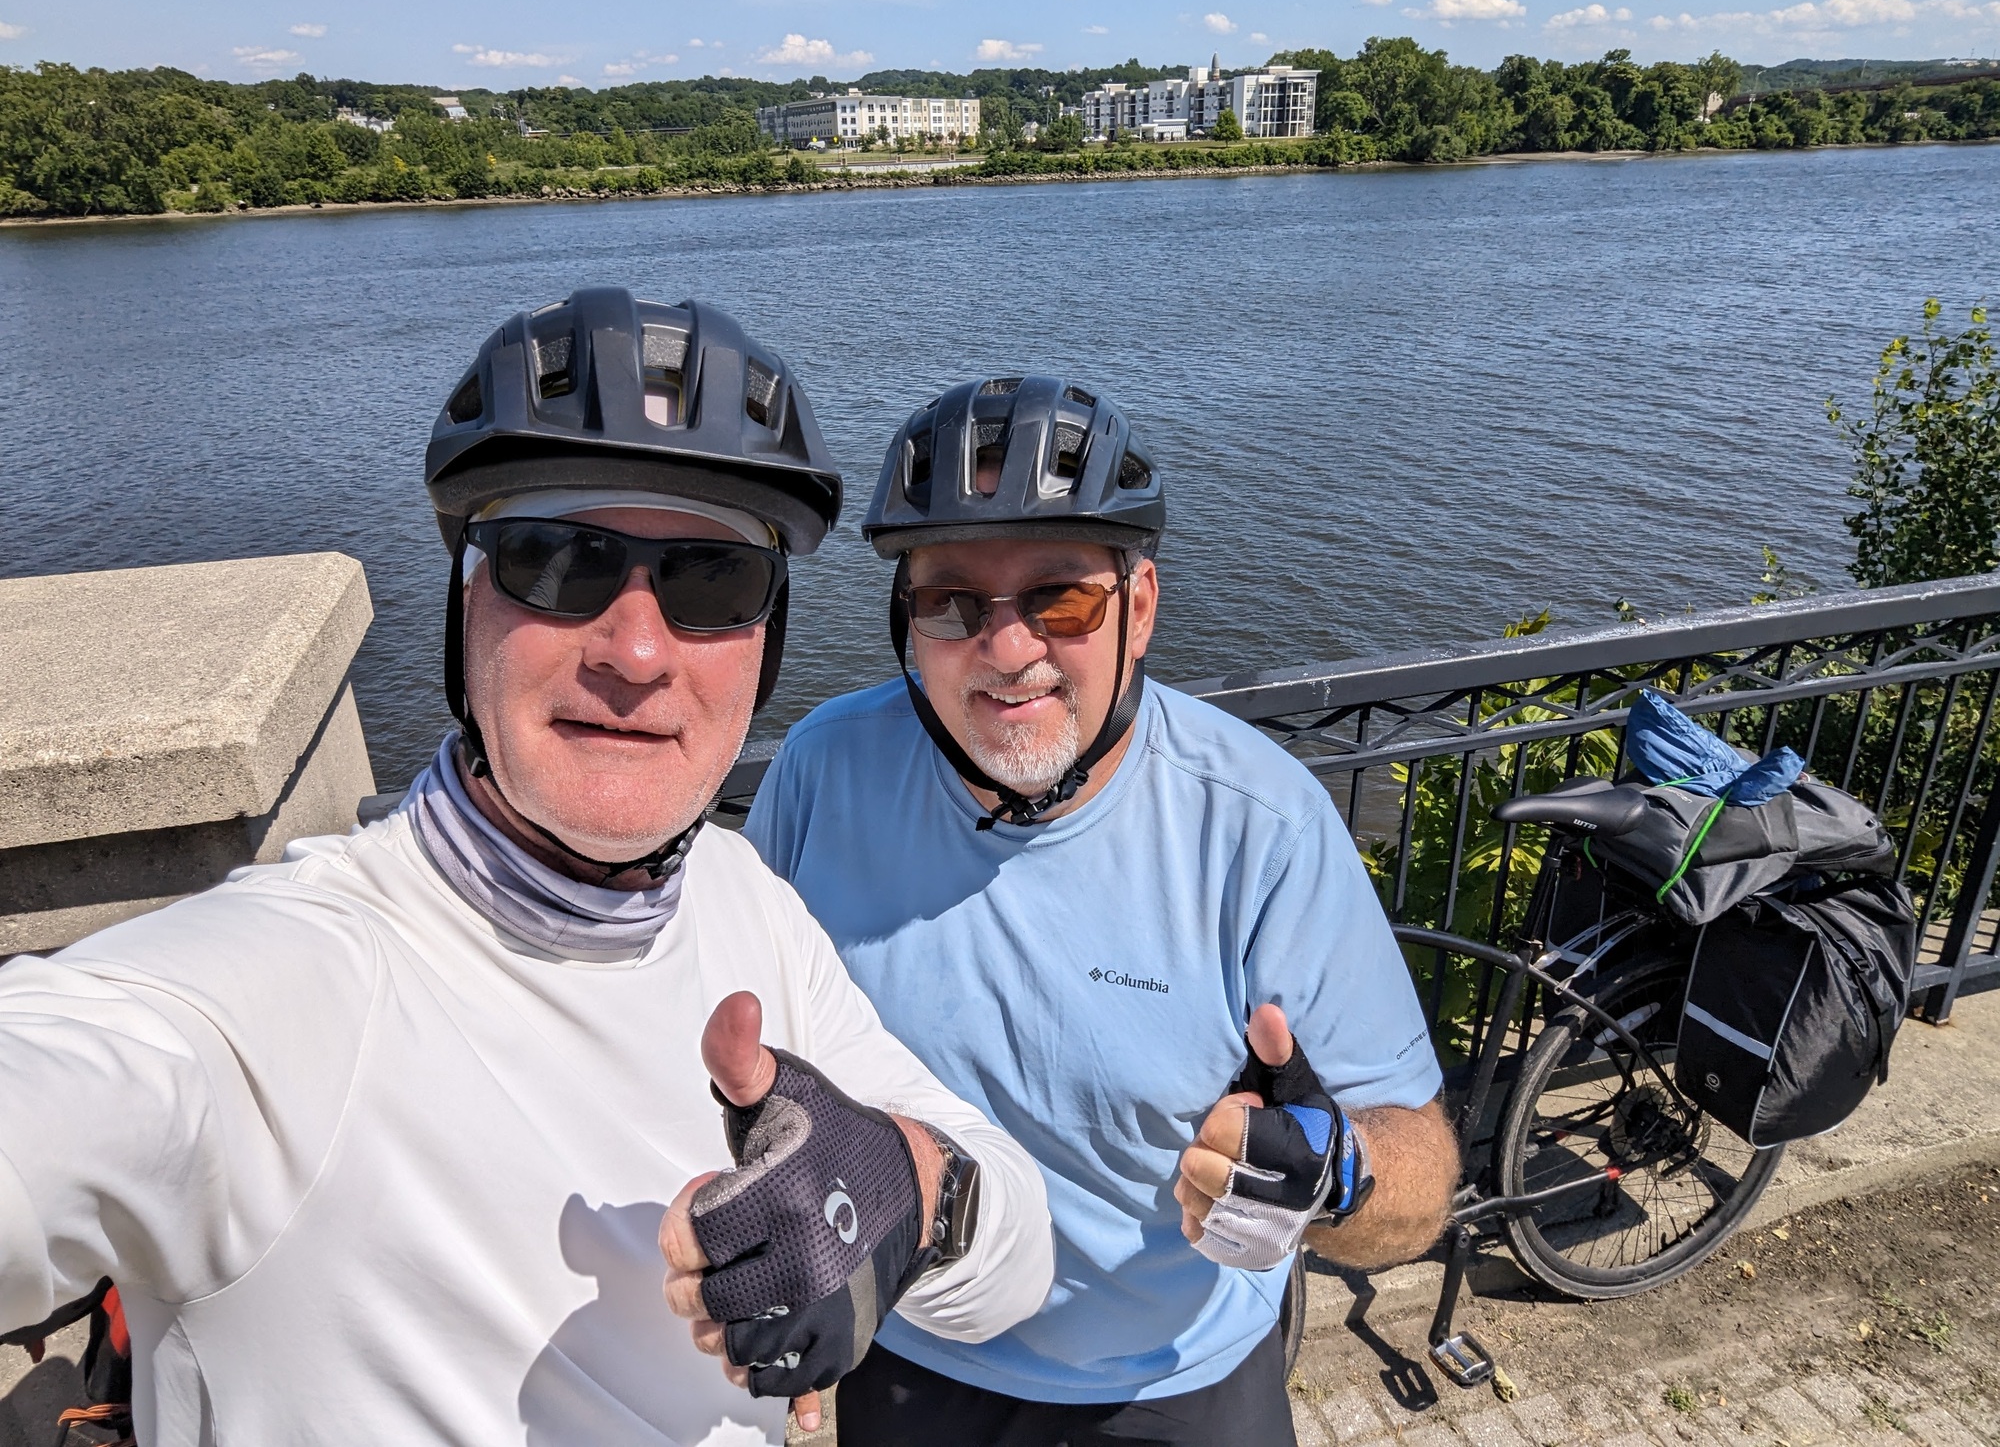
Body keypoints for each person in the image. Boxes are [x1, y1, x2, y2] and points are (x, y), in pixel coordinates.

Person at [0, 290, 1053, 1447]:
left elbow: (1018, 1259)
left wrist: (911, 1187)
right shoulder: (280, 992)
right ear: (466, 603)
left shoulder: (740, 897)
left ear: (768, 639)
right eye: (556, 562)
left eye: (712, 580)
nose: (637, 651)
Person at [746, 376, 1458, 1445]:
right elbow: (754, 1037)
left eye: (1060, 600)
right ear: (906, 620)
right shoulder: (822, 769)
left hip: (1174, 1382)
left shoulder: (1260, 827)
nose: (1007, 650)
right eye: (951, 603)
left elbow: (1423, 1179)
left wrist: (1334, 1176)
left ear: (1141, 605)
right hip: (911, 1353)